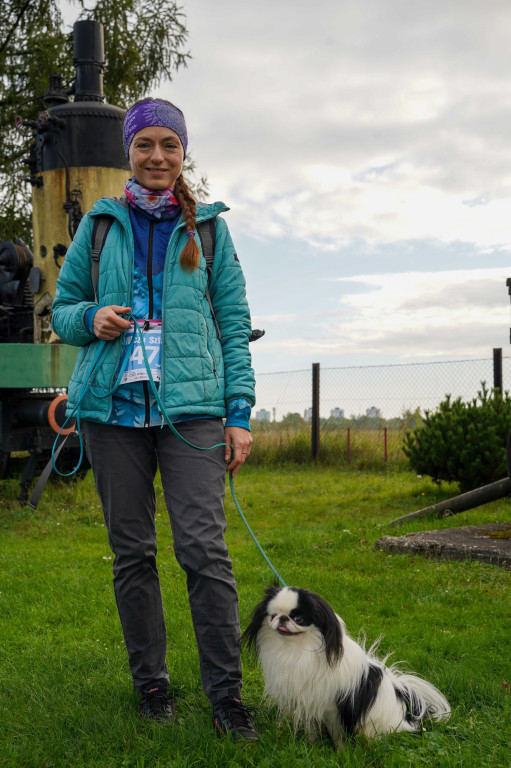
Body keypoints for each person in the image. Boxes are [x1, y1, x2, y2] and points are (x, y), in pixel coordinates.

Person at [51, 99, 258, 741]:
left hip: (192, 411)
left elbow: (233, 326)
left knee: (204, 549)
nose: (158, 156)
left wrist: (239, 413)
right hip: (112, 412)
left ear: (183, 152)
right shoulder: (100, 225)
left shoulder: (211, 231)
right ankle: (152, 686)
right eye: (146, 145)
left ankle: (226, 697)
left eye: (170, 144)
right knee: (132, 554)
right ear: (129, 153)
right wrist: (92, 319)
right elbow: (62, 311)